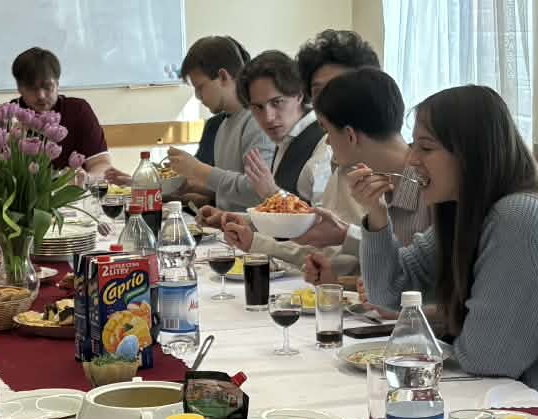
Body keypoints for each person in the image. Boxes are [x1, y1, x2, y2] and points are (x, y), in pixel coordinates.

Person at [355, 85, 538, 419]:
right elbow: (389, 291)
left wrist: (430, 322)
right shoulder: (463, 212)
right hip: (517, 413)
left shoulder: (517, 217)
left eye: (426, 148)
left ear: (471, 154)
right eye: (413, 145)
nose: (412, 159)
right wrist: (376, 216)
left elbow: (488, 358)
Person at [222, 67, 411, 279]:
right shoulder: (348, 172)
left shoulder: (425, 185)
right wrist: (254, 236)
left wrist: (345, 238)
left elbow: (408, 272)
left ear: (350, 135)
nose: (327, 141)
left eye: (327, 130)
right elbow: (329, 252)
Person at [178, 30, 376, 210]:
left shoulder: (324, 144)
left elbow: (325, 225)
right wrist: (238, 220)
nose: (268, 118)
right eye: (257, 107)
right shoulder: (286, 139)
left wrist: (271, 194)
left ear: (300, 94)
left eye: (277, 102)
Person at [163, 36, 258, 204]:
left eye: (200, 87)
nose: (198, 96)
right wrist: (192, 186)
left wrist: (197, 169)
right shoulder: (223, 126)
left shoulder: (256, 121)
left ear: (223, 77)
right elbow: (230, 193)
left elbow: (256, 192)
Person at [10, 48, 113, 178]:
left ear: (57, 83)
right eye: (32, 88)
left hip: (73, 188)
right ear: (19, 88)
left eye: (47, 87)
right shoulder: (9, 116)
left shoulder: (77, 110)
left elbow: (101, 163)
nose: (41, 95)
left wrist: (88, 178)